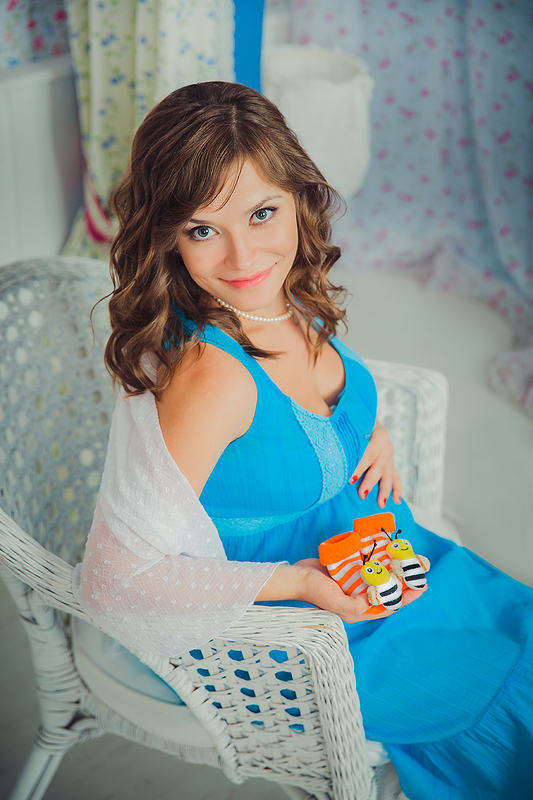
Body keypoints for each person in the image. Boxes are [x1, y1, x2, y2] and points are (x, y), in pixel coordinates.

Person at [74, 81, 533, 800]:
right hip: (303, 625)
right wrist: (299, 583)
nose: (242, 256)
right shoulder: (213, 378)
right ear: (168, 236)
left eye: (262, 213)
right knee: (498, 703)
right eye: (202, 230)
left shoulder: (284, 295)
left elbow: (305, 409)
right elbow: (109, 579)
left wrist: (366, 435)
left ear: (297, 197)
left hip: (384, 557)